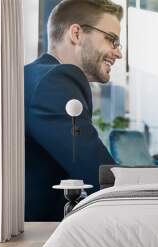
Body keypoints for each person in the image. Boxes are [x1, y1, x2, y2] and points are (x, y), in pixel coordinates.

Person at [24, 0, 122, 221]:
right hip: (38, 239)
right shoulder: (56, 80)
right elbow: (102, 177)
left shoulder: (32, 75)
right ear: (76, 34)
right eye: (112, 40)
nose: (118, 54)